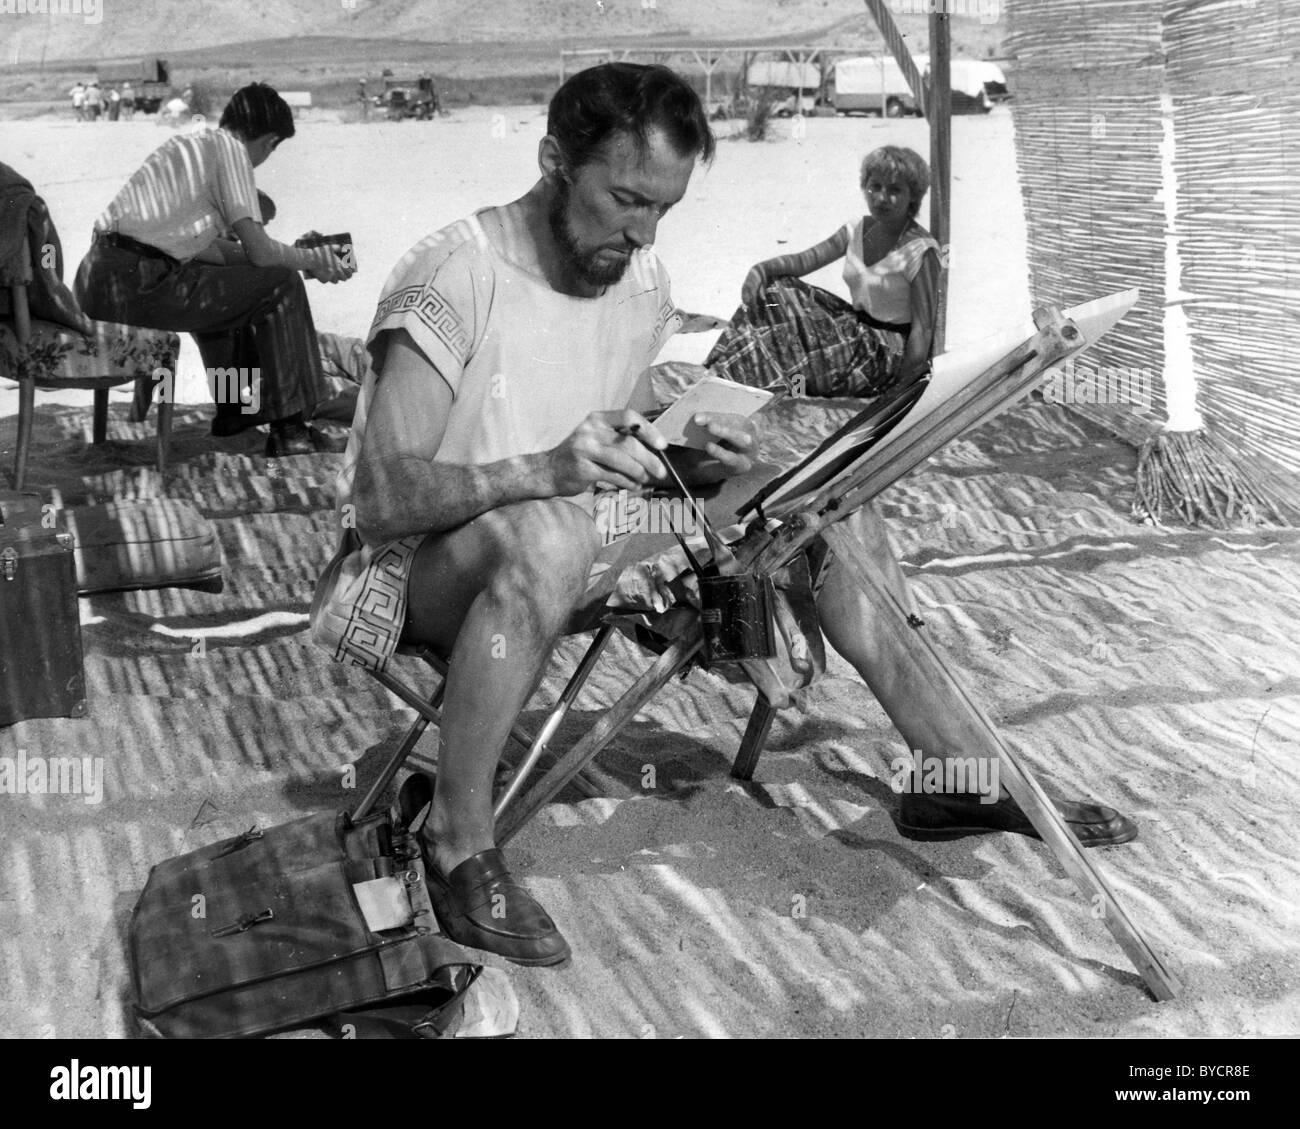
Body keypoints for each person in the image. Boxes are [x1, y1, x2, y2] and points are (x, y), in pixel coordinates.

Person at [312, 63, 1135, 969]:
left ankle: (955, 771)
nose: (641, 231)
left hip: (577, 535)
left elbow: (613, 445)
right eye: (624, 198)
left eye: (661, 207)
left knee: (822, 506)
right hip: (419, 575)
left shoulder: (637, 279)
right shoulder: (454, 275)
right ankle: (458, 841)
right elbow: (381, 499)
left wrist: (691, 457)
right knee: (548, 530)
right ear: (552, 161)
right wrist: (548, 468)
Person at [74, 82, 354, 455]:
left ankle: (236, 411)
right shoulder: (233, 152)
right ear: (269, 141)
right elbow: (261, 253)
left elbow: (214, 252)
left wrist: (296, 257)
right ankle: (290, 430)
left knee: (231, 288)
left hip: (98, 279)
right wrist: (308, 261)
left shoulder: (187, 145)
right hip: (137, 282)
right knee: (281, 284)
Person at [706, 145, 940, 401]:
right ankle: (725, 374)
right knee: (778, 291)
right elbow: (806, 260)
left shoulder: (921, 249)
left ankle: (752, 385)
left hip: (885, 352)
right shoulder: (858, 228)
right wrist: (761, 270)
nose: (881, 197)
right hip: (856, 331)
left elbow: (923, 330)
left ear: (913, 196)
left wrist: (899, 393)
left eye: (894, 190)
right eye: (875, 187)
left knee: (793, 331)